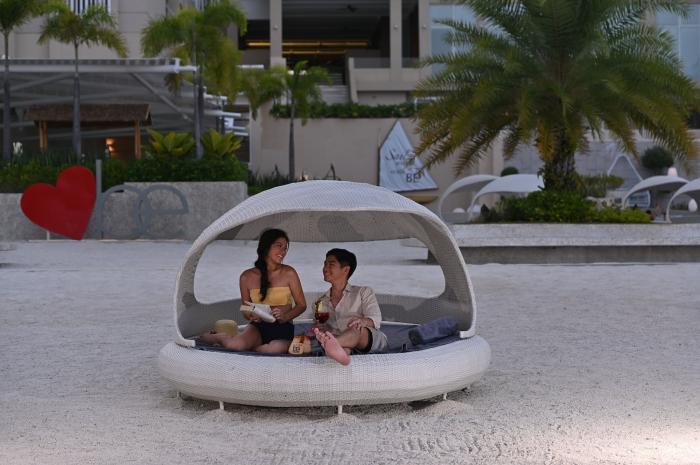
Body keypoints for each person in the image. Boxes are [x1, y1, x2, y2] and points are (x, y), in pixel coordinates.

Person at [198, 229, 306, 353]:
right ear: (266, 247)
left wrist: (285, 316)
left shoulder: (289, 273)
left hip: (284, 327)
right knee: (235, 345)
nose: (283, 251)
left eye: (285, 248)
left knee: (273, 349)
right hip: (258, 328)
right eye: (279, 246)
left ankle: (252, 346)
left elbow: (301, 305)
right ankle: (219, 337)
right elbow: (245, 307)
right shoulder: (246, 277)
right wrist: (250, 315)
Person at [313, 248, 388, 365]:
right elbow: (321, 326)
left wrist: (362, 321)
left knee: (356, 329)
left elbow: (375, 319)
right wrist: (321, 327)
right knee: (339, 347)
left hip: (366, 341)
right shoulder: (320, 302)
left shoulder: (363, 292)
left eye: (331, 264)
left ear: (346, 270)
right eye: (325, 264)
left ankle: (331, 344)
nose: (325, 268)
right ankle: (338, 351)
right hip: (342, 341)